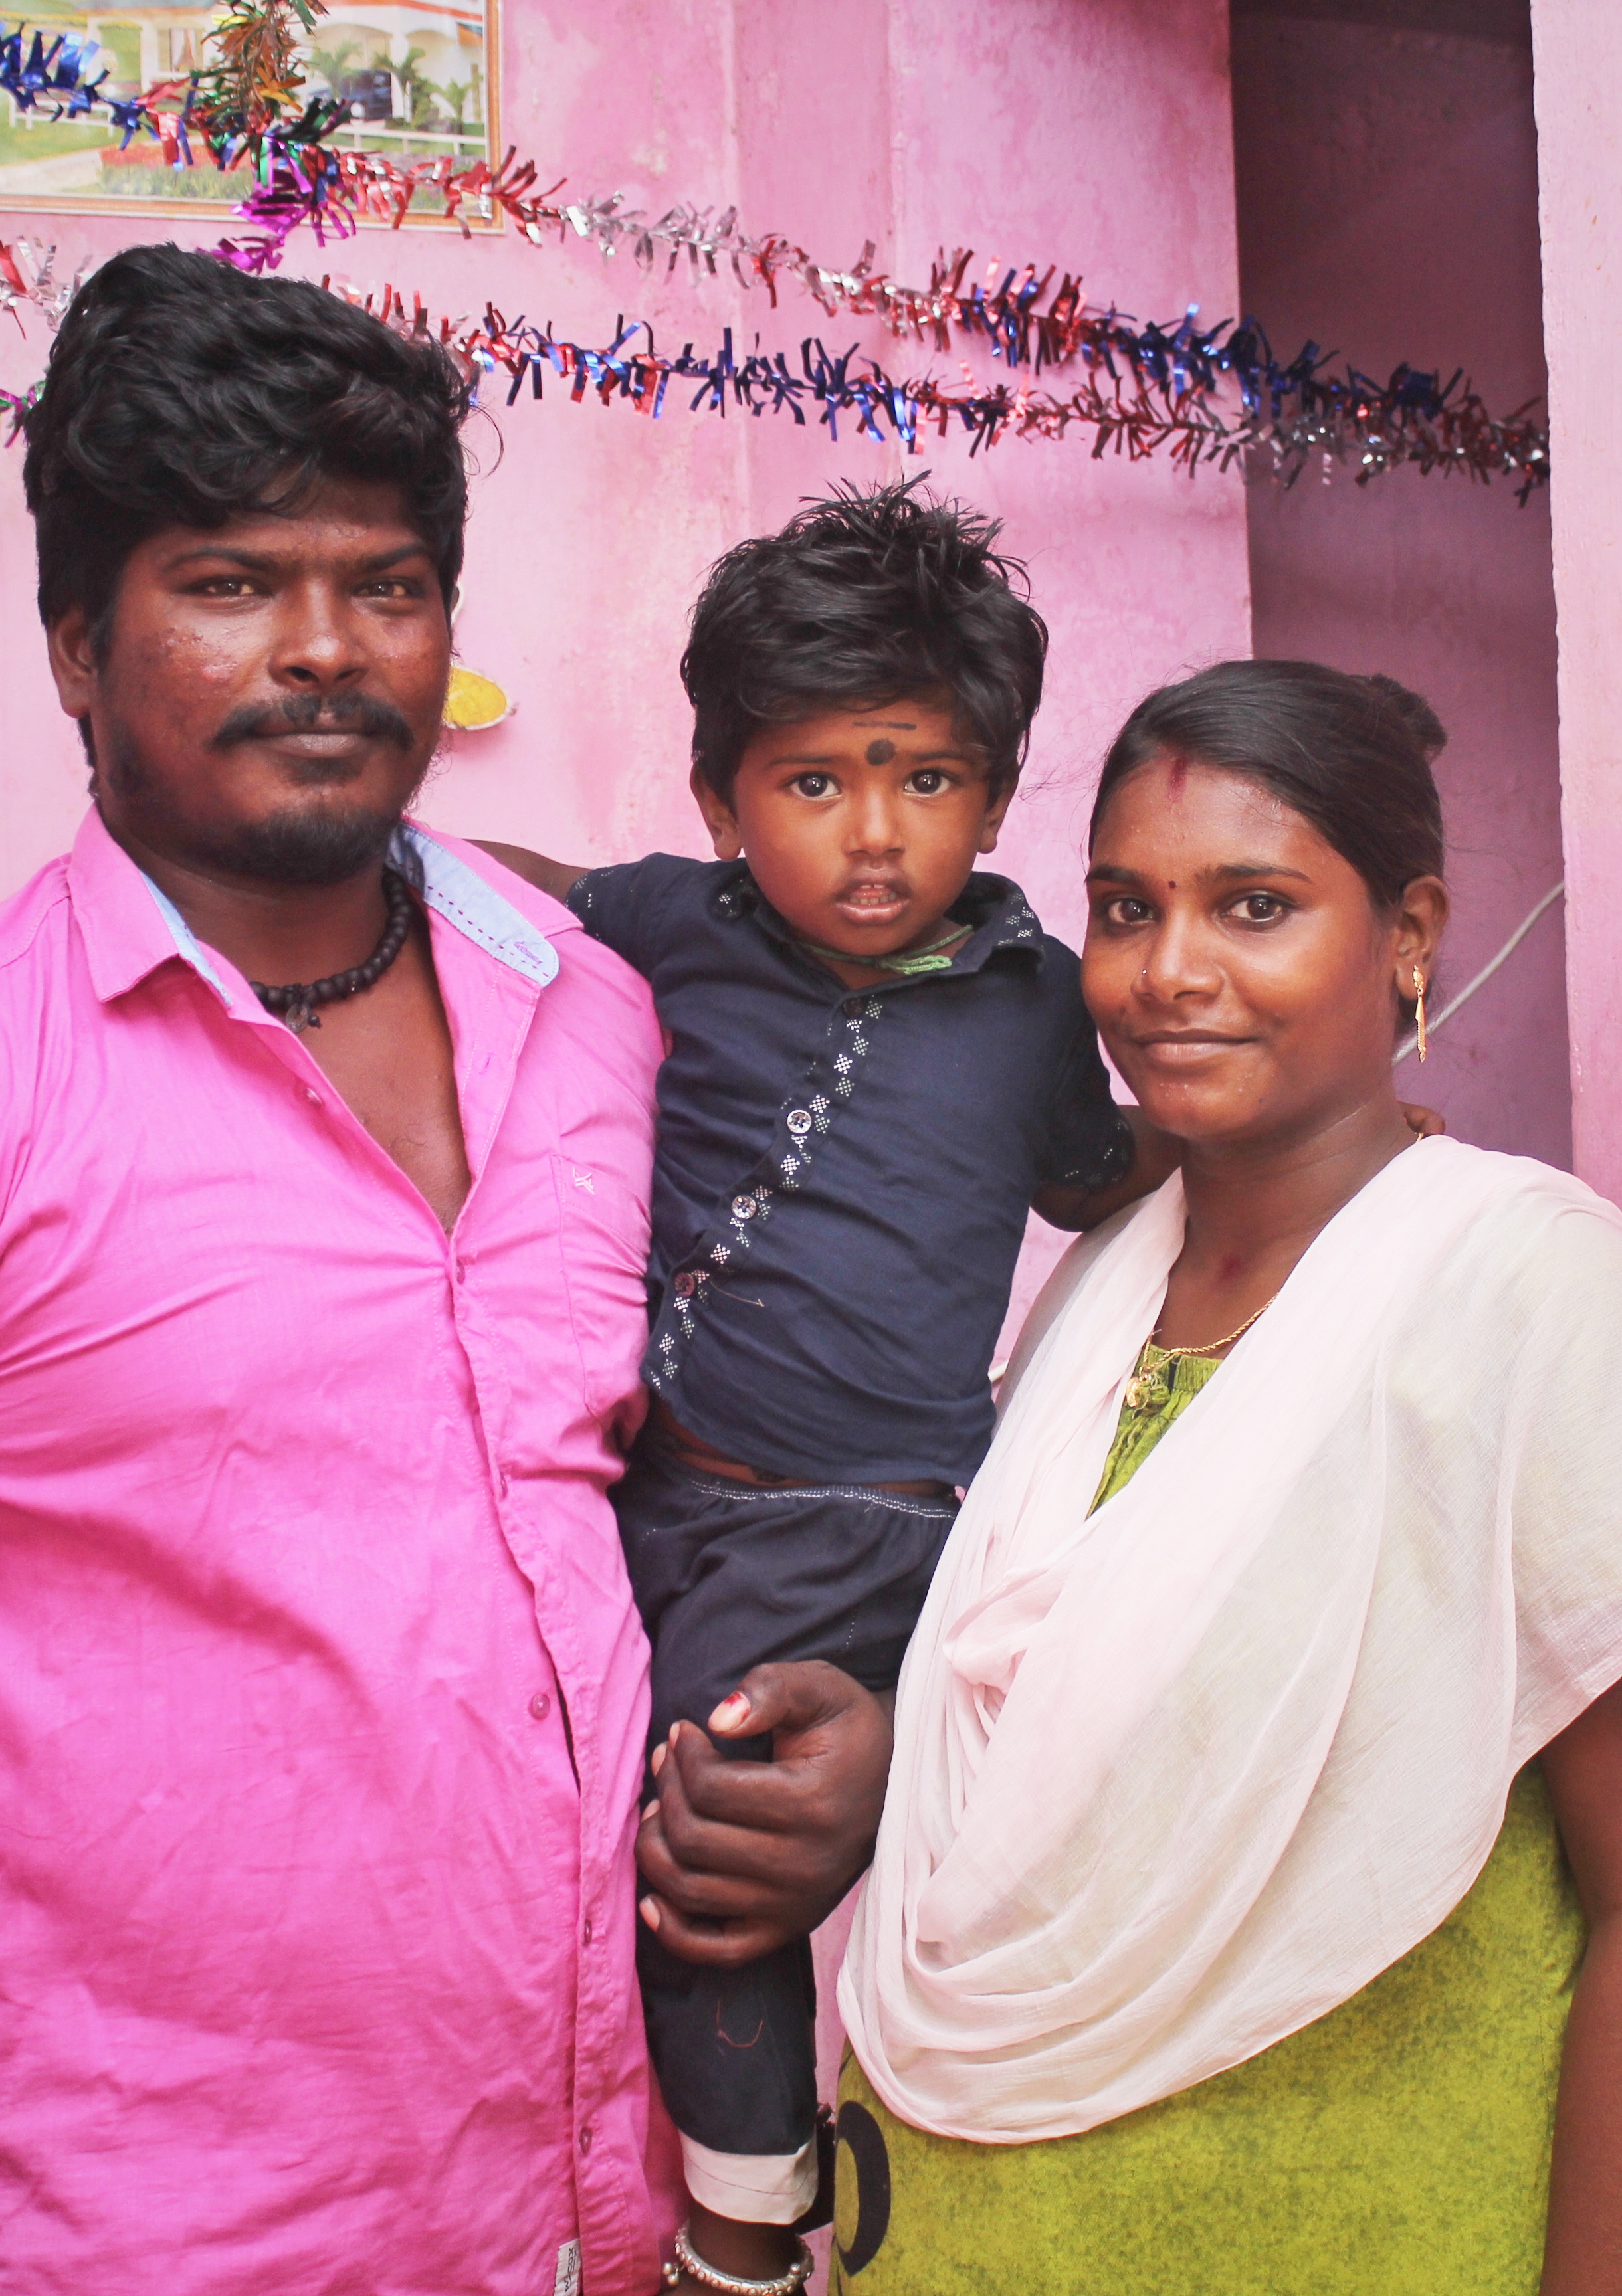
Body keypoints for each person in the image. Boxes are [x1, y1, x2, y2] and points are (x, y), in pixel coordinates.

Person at [0, 246, 888, 2296]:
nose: (324, 648)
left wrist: (844, 1737)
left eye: (384, 585)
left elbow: (660, 1521)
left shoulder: (593, 1013)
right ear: (72, 647)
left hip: (614, 2227)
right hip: (168, 2247)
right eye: (227, 583)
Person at [823, 662, 1622, 2293]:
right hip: (999, 2237)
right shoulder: (1100, 1290)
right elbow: (1077, 1731)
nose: (1169, 973)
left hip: (1388, 2222)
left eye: (1254, 907)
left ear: (1407, 935)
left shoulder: (1524, 1291)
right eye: (1127, 909)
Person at [475, 484, 1177, 2293]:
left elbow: (1091, 1177)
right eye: (815, 784)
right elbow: (501, 890)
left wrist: (1264, 1143)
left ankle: (745, 2225)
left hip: (862, 1518)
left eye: (928, 780)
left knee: (712, 1833)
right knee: (541, 1805)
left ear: (998, 795)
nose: (877, 837)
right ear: (720, 798)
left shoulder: (1032, 993)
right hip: (656, 1492)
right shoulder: (669, 923)